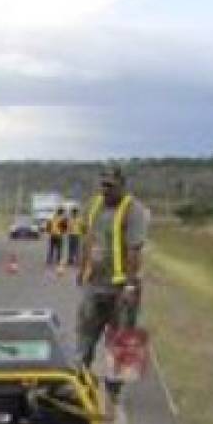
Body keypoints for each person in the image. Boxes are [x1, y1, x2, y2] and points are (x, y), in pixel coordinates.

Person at [75, 167, 150, 391]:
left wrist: (129, 284)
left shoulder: (134, 210)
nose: (105, 190)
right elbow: (87, 237)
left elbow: (134, 250)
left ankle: (115, 385)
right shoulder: (94, 205)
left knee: (122, 334)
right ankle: (81, 376)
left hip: (121, 286)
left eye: (110, 186)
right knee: (86, 330)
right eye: (102, 185)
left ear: (122, 186)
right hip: (95, 282)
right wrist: (82, 267)